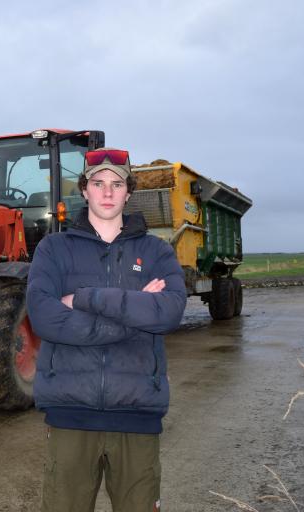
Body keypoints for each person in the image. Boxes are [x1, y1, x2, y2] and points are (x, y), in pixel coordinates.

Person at [26, 147, 187, 512]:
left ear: (129, 192)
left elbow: (170, 312)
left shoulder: (157, 251)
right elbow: (44, 317)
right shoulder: (54, 249)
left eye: (117, 184)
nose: (108, 192)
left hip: (137, 414)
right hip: (70, 414)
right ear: (84, 190)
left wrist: (84, 298)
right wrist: (133, 317)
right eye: (98, 183)